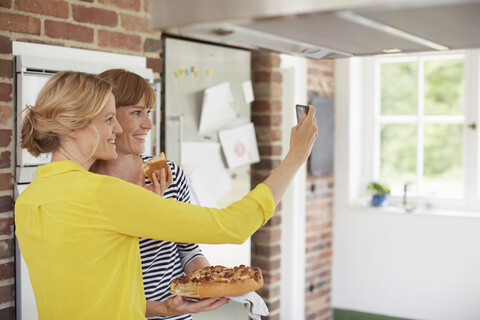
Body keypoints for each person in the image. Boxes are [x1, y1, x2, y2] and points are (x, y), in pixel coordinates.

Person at [15, 71, 318, 320]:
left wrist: (164, 308)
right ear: (73, 128)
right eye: (109, 119)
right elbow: (233, 226)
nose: (117, 128)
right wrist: (295, 157)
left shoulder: (29, 199)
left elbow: (94, 296)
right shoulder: (103, 193)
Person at [91, 69, 219, 319]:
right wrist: (144, 209)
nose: (148, 124)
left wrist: (210, 280)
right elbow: (94, 280)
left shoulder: (168, 175)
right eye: (136, 112)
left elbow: (188, 248)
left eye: (148, 112)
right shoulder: (86, 186)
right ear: (106, 116)